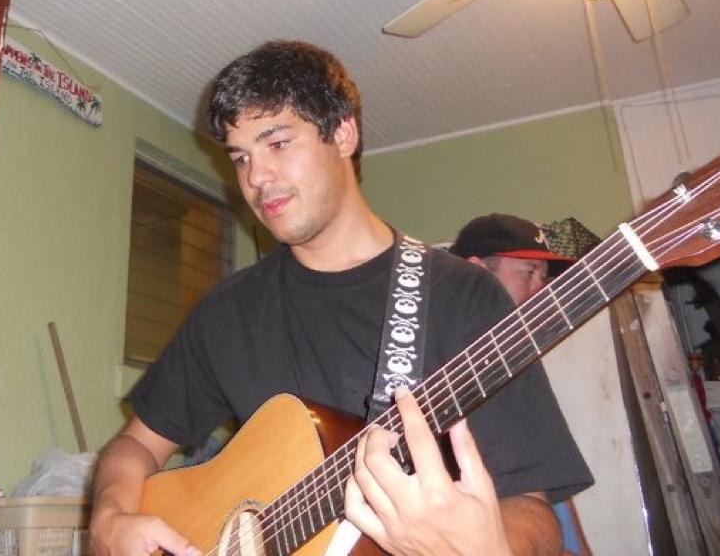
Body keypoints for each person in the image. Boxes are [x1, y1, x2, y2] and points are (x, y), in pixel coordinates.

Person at [90, 41, 592, 556]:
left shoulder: (463, 298)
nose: (255, 177)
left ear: (343, 133)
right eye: (240, 158)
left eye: (277, 143)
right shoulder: (227, 313)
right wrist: (110, 515)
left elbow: (533, 510)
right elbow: (135, 445)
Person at [450, 213, 593, 556]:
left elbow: (539, 484)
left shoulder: (514, 361)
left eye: (542, 277)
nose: (539, 290)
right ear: (478, 273)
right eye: (528, 274)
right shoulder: (448, 371)